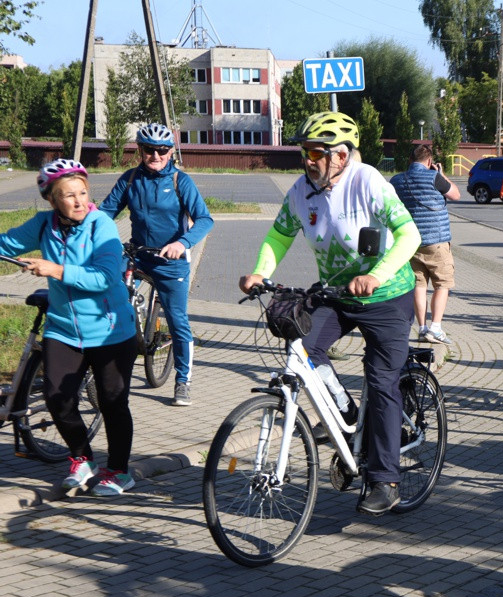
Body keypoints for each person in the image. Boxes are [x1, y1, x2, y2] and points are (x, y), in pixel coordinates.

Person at [238, 111, 421, 517]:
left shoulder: (367, 181)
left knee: (381, 377)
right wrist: (260, 273)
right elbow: (279, 234)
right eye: (305, 151)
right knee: (303, 347)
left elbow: (410, 235)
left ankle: (385, 480)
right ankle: (347, 414)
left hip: (388, 295)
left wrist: (375, 275)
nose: (307, 159)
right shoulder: (301, 191)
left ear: (341, 155)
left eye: (316, 152)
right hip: (338, 293)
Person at [0, 160, 138, 495]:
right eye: (68, 195)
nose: (78, 201)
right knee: (57, 399)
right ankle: (82, 460)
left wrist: (56, 270)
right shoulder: (43, 224)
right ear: (51, 200)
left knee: (112, 403)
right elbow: (6, 244)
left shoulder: (100, 225)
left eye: (82, 193)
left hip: (111, 331)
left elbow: (105, 277)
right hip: (63, 329)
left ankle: (119, 471)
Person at [99, 123, 214, 408]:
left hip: (170, 261)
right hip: (137, 254)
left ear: (170, 151)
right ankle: (102, 365)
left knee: (177, 320)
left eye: (162, 150)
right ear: (139, 150)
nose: (155, 155)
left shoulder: (179, 181)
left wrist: (182, 244)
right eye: (149, 149)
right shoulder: (130, 179)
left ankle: (183, 380)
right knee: (105, 294)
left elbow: (204, 219)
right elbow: (105, 213)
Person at [390, 144, 461, 344]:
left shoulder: (397, 180)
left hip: (410, 241)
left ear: (410, 160)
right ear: (429, 162)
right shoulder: (434, 177)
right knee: (442, 284)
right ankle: (435, 328)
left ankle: (421, 328)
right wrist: (442, 174)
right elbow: (455, 194)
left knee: (418, 285)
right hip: (437, 240)